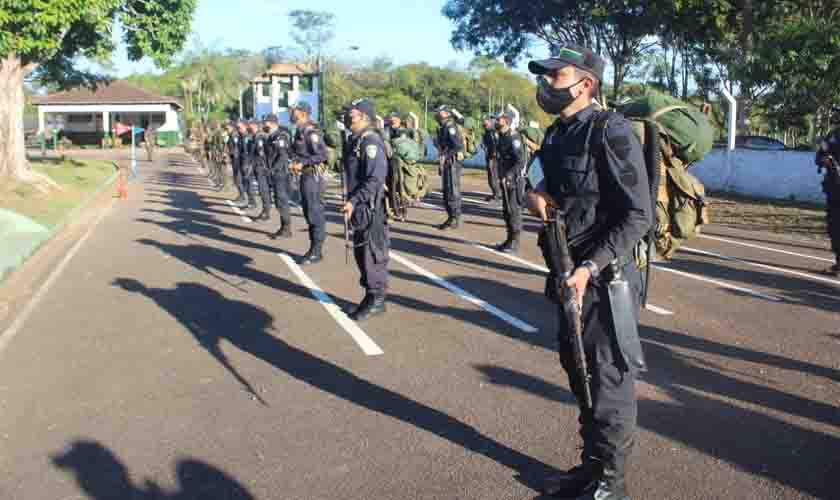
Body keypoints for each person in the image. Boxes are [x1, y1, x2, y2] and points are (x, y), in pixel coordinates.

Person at [527, 46, 652, 500]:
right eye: (544, 77)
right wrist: (534, 193)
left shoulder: (610, 130)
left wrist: (588, 267)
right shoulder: (557, 134)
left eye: (554, 77)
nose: (545, 86)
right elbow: (540, 177)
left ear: (586, 84)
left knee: (609, 382)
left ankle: (611, 484)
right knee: (579, 372)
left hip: (604, 278)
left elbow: (639, 216)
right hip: (565, 272)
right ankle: (591, 467)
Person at [340, 99, 390, 321]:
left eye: (352, 115)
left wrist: (354, 200)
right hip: (359, 206)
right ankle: (370, 295)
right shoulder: (356, 140)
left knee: (372, 254)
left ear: (365, 117)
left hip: (369, 207)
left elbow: (375, 179)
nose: (348, 118)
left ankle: (377, 299)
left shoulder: (370, 142)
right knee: (362, 253)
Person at [289, 102, 328, 265]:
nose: (292, 113)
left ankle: (317, 251)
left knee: (314, 212)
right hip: (305, 176)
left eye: (295, 111)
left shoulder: (310, 132)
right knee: (308, 212)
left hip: (313, 176)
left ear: (303, 113)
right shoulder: (299, 130)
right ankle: (313, 248)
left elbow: (322, 155)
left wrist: (303, 163)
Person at [494, 110, 526, 254]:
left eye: (499, 119)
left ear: (506, 121)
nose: (496, 121)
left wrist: (509, 175)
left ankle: (515, 242)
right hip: (504, 179)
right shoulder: (501, 136)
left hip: (514, 180)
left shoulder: (514, 138)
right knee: (507, 211)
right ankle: (509, 239)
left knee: (514, 211)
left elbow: (520, 161)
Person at [816, 114, 840, 275]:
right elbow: (819, 156)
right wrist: (824, 160)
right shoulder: (834, 135)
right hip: (835, 188)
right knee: (834, 226)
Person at [435, 105, 465, 230]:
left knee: (452, 190)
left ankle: (455, 218)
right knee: (447, 191)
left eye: (440, 112)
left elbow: (457, 146)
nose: (437, 114)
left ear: (446, 114)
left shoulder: (450, 126)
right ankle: (451, 216)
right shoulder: (443, 127)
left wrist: (445, 155)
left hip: (452, 162)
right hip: (447, 161)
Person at [265, 116, 294, 239]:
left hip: (281, 173)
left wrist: (273, 169)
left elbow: (282, 156)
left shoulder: (280, 136)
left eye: (266, 123)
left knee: (282, 201)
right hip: (275, 173)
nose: (264, 125)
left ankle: (286, 229)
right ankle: (283, 227)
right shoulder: (272, 136)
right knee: (278, 201)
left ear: (272, 123)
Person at [482, 115, 502, 202]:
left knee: (494, 176)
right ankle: (495, 193)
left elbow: (496, 144)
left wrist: (494, 155)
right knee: (491, 176)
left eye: (486, 121)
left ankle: (497, 195)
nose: (484, 122)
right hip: (489, 156)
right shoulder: (487, 131)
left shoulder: (493, 132)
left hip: (494, 158)